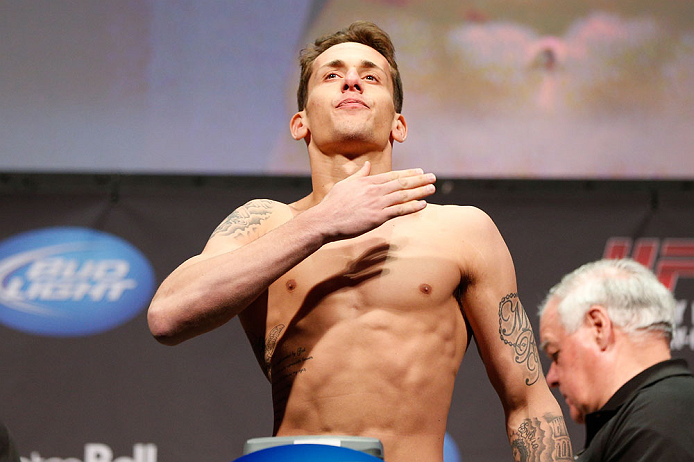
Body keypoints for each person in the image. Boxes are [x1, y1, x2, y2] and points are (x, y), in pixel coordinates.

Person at [148, 21, 571, 462]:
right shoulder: (264, 222)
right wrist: (322, 223)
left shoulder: (464, 231)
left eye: (371, 76)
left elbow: (529, 403)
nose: (352, 80)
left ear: (398, 124)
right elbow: (167, 316)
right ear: (300, 122)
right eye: (332, 75)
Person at [538, 258, 694, 461]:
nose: (551, 378)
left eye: (555, 354)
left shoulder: (657, 420)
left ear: (598, 327)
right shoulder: (647, 417)